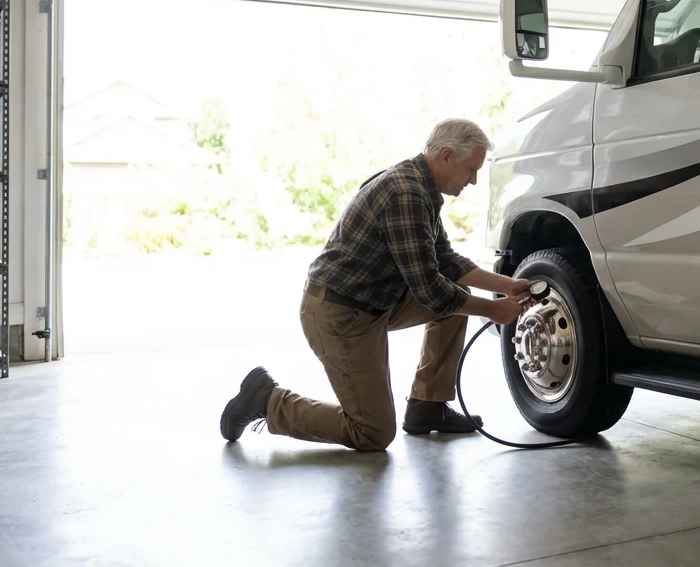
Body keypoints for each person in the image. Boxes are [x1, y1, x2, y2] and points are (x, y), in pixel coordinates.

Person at [219, 118, 531, 451]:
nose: (473, 180)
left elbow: (446, 260)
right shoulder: (405, 193)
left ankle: (428, 406)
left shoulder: (421, 188)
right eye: (471, 169)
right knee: (372, 432)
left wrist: (507, 285)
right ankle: (266, 400)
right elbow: (430, 289)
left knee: (458, 300)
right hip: (340, 315)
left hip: (375, 303)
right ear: (445, 156)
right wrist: (493, 310)